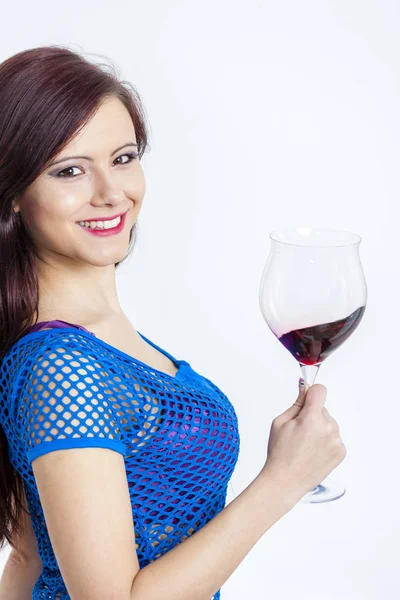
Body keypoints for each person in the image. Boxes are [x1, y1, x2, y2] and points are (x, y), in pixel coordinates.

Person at [0, 45, 346, 600]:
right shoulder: (59, 365)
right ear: (15, 192)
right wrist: (282, 481)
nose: (112, 193)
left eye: (123, 157)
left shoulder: (90, 338)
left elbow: (27, 557)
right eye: (69, 170)